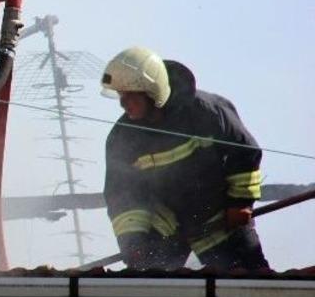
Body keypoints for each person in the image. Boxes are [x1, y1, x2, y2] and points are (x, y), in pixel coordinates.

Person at [101, 46, 269, 271]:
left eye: (129, 95)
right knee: (148, 289)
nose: (123, 103)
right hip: (166, 230)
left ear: (151, 90)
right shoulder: (122, 138)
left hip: (219, 223)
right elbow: (121, 194)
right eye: (121, 96)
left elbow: (245, 153)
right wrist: (133, 242)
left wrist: (239, 204)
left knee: (250, 286)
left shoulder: (208, 113)